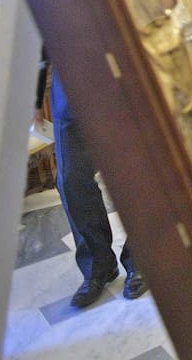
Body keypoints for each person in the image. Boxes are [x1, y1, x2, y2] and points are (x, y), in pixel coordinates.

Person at [37, 62, 147, 307]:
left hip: (125, 75)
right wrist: (35, 97)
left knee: (138, 175)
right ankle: (98, 265)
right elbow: (36, 37)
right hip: (70, 82)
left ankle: (141, 260)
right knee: (71, 180)